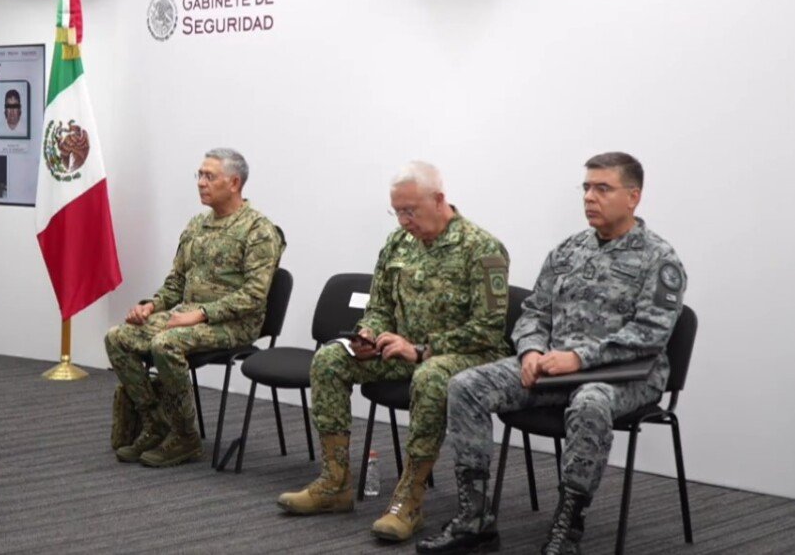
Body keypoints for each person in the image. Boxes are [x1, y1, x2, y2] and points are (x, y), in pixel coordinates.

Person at [417, 152, 687, 555]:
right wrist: (530, 351)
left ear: (634, 197)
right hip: (551, 366)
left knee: (590, 403)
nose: (590, 197)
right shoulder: (568, 251)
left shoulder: (659, 260)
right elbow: (534, 312)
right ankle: (475, 518)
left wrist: (579, 358)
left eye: (603, 188)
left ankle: (568, 526)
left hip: (624, 375)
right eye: (586, 188)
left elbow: (648, 335)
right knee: (467, 385)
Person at [277, 161, 511, 544]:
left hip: (468, 356)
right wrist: (369, 332)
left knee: (431, 376)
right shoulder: (397, 243)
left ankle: (410, 500)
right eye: (397, 210)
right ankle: (334, 482)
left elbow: (488, 330)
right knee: (331, 360)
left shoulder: (483, 249)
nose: (403, 220)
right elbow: (380, 303)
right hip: (401, 350)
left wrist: (421, 350)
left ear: (439, 200)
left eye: (410, 211)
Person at [105, 148, 284, 467]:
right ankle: (156, 421)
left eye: (209, 176)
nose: (201, 183)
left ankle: (185, 437)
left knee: (165, 343)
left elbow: (255, 295)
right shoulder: (195, 226)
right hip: (188, 315)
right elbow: (175, 282)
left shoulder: (259, 231)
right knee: (118, 337)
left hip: (233, 323)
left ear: (234, 182)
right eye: (199, 175)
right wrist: (151, 306)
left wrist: (201, 314)